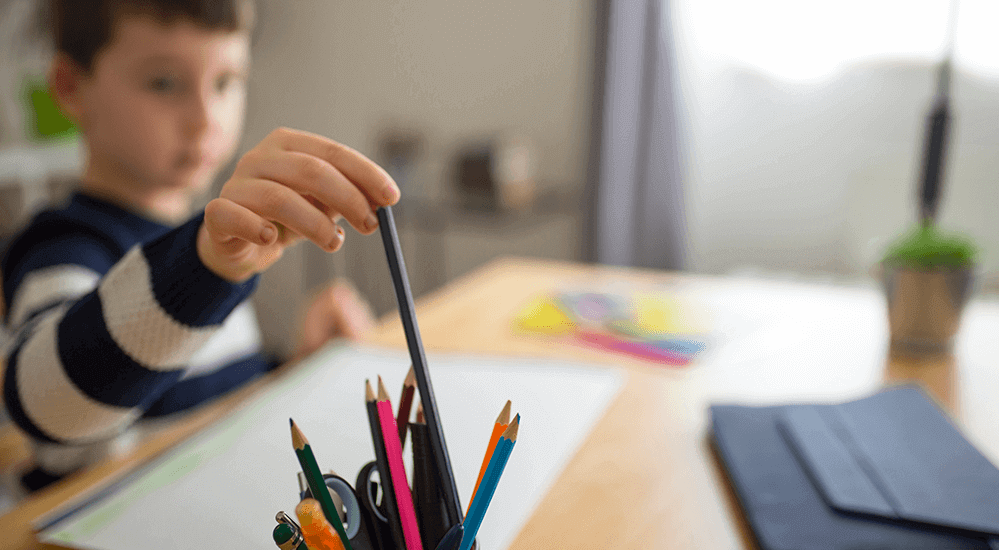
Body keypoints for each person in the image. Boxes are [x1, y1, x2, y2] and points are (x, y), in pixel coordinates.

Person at [0, 0, 395, 493]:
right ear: (71, 88)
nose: (206, 117)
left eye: (226, 82)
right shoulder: (61, 248)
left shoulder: (211, 245)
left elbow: (214, 402)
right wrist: (205, 268)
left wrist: (296, 364)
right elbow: (46, 408)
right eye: (164, 83)